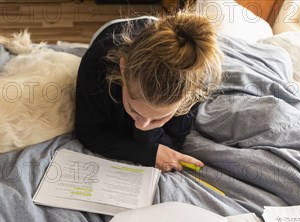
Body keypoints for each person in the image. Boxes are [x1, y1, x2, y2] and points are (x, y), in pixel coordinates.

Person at [75, 11, 223, 172]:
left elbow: (173, 142)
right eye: (134, 109)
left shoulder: (193, 86)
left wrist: (147, 133)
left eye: (158, 118)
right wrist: (148, 153)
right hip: (113, 31)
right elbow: (88, 132)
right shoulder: (96, 61)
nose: (142, 125)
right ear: (122, 68)